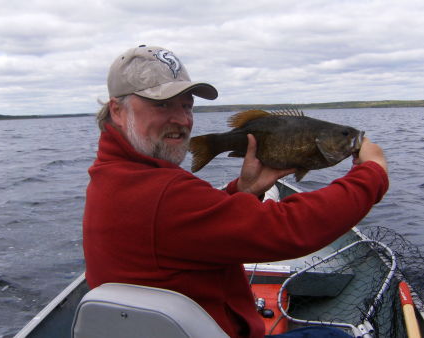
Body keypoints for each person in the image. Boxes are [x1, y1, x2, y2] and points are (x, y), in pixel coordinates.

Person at [83, 45, 389, 338]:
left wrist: (242, 192)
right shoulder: (162, 195)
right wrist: (372, 173)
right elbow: (287, 229)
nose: (182, 120)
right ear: (118, 111)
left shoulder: (111, 177)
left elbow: (185, 229)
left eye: (187, 105)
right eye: (161, 104)